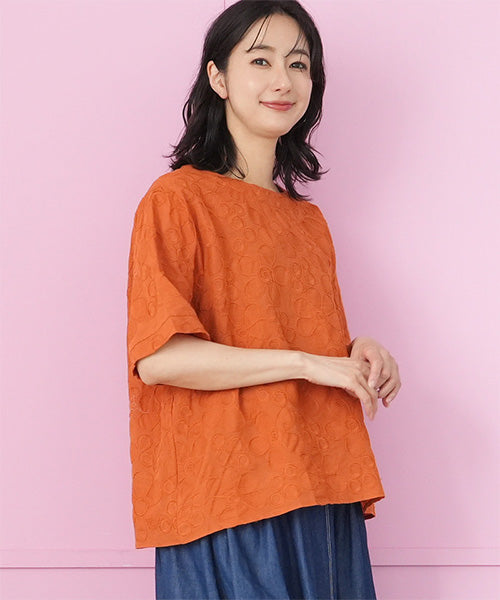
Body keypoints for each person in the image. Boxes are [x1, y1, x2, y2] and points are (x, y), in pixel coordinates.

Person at [126, 1, 401, 598]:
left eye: (299, 64)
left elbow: (287, 333)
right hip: (229, 493)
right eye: (260, 60)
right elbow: (161, 358)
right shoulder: (176, 200)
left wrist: (355, 350)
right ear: (218, 77)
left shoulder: (308, 224)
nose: (283, 80)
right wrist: (306, 364)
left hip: (324, 484)